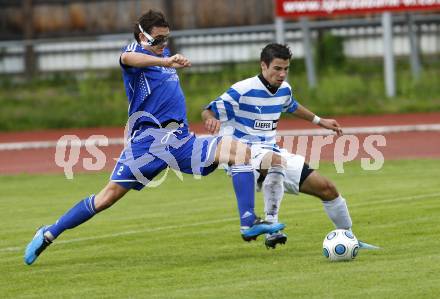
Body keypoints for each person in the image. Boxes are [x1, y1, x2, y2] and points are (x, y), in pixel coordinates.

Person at [24, 11, 284, 265]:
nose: (163, 44)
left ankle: (248, 221)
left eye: (166, 39)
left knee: (239, 151)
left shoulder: (164, 54)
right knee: (106, 198)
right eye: (157, 39)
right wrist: (165, 61)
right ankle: (49, 232)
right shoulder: (135, 57)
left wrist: (167, 58)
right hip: (146, 145)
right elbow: (129, 57)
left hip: (181, 141)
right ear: (141, 36)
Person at [202, 43, 378, 249]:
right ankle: (272, 226)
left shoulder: (284, 89)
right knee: (278, 162)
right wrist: (210, 119)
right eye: (277, 68)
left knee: (327, 189)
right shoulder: (243, 90)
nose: (282, 74)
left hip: (272, 151)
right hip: (243, 153)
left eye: (286, 69)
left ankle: (350, 238)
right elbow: (209, 110)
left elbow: (291, 105)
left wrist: (320, 121)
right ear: (263, 66)